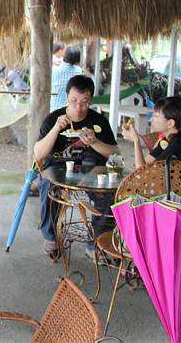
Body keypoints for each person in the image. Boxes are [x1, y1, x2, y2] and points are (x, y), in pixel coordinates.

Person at [34, 75, 119, 259]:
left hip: (91, 170)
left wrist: (94, 142)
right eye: (74, 101)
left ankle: (97, 242)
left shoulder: (99, 121)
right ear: (67, 98)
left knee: (109, 193)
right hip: (58, 168)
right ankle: (50, 237)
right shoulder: (54, 119)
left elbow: (115, 153)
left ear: (91, 100)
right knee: (47, 186)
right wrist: (56, 129)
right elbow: (38, 154)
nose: (78, 107)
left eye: (84, 102)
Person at [123, 96, 181, 168]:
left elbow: (141, 173)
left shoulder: (178, 145)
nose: (151, 119)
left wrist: (136, 140)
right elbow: (145, 166)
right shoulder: (168, 140)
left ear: (170, 123)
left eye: (156, 116)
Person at [50, 47, 83, 111]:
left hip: (54, 108)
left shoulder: (54, 70)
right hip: (70, 110)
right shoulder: (79, 71)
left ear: (64, 56)